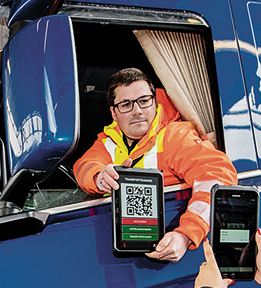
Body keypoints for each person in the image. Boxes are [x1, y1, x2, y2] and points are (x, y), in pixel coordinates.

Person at [73, 68, 236, 262]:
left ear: (154, 101)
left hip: (167, 253)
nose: (137, 111)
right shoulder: (109, 139)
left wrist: (185, 235)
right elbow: (83, 166)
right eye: (126, 104)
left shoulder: (174, 136)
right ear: (114, 113)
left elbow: (218, 179)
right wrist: (99, 178)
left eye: (144, 101)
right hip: (115, 250)